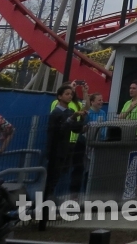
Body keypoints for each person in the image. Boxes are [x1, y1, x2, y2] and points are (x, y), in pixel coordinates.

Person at [42, 84, 85, 222]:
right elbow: (59, 130)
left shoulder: (69, 112)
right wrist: (72, 118)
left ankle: (50, 208)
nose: (70, 96)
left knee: (58, 178)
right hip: (55, 151)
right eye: (66, 94)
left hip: (65, 150)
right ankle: (45, 211)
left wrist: (82, 119)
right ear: (60, 96)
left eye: (71, 94)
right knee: (51, 180)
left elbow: (75, 129)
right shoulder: (56, 113)